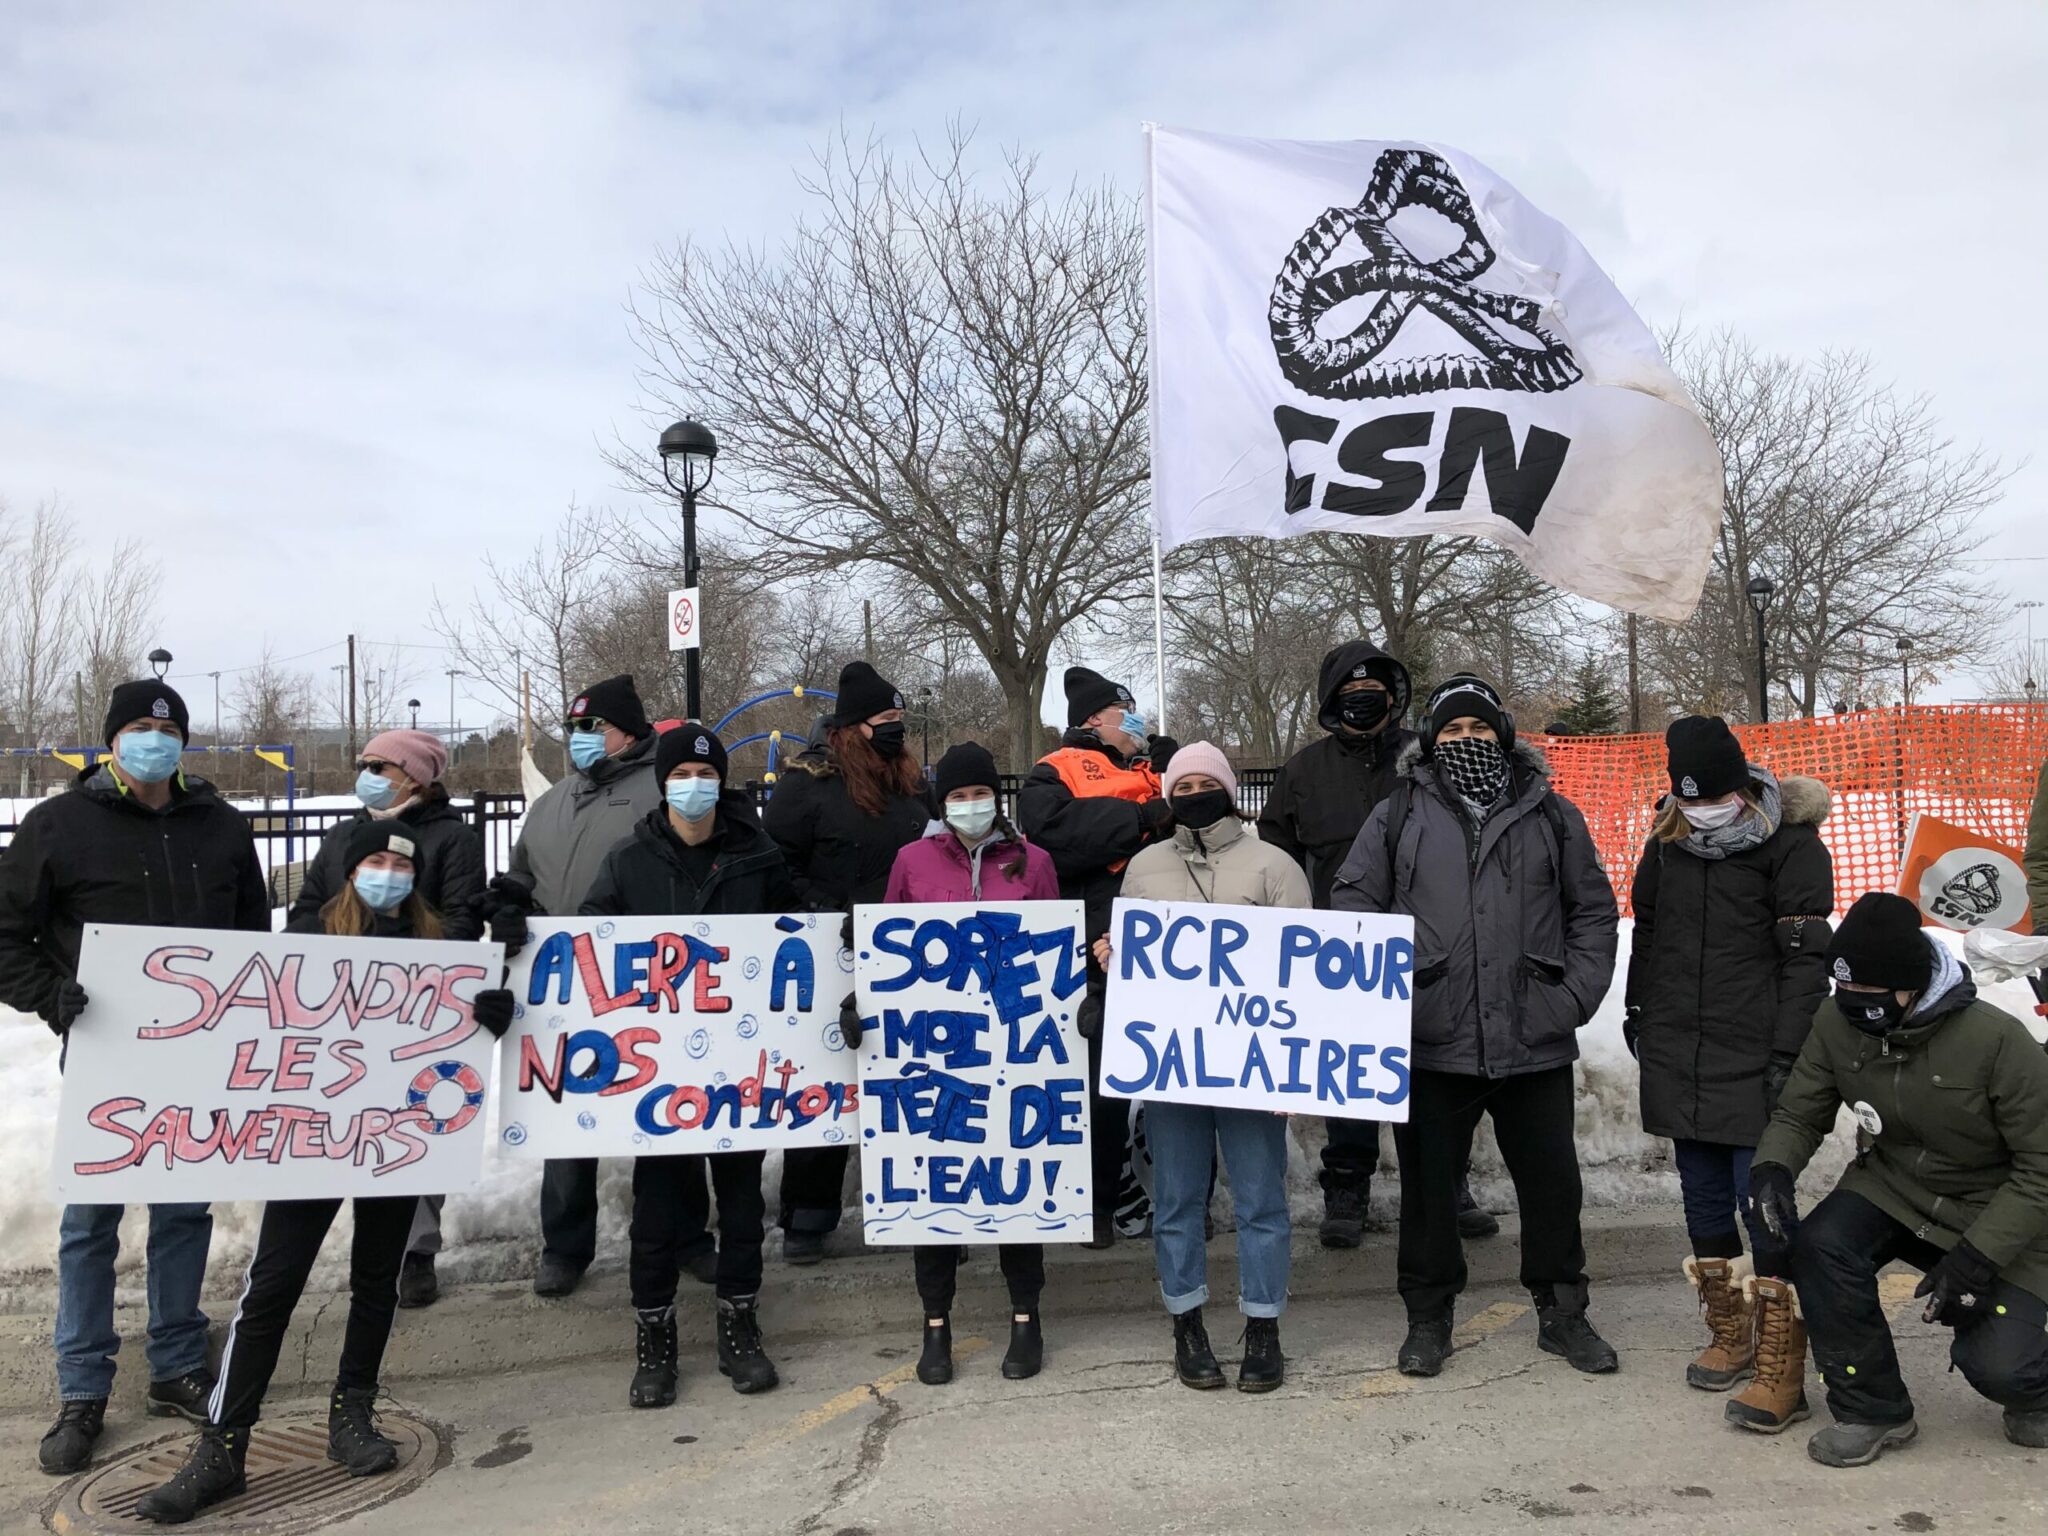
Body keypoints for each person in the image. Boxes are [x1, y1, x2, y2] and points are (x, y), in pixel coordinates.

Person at [135, 823, 519, 1523]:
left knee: (377, 1280)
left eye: (402, 864)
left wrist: (489, 1015)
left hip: (396, 1140)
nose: (388, 872)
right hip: (313, 1140)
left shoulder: (438, 949)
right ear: (348, 870)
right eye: (375, 860)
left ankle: (353, 1412)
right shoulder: (307, 939)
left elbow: (459, 1036)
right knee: (272, 1287)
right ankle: (222, 1445)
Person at [0, 680, 270, 1477]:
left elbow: (253, 935)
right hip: (106, 1055)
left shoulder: (220, 825)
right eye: (141, 729)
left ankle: (176, 1364)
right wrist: (52, 995)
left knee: (184, 1212)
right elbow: (6, 934)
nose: (156, 741)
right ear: (112, 740)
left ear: (183, 743)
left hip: (198, 1054)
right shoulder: (58, 825)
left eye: (169, 730)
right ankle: (82, 1388)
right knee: (91, 1223)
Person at [1332, 673, 1620, 1377]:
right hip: (1433, 1037)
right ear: (1433, 740)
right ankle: (1428, 1318)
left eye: (1480, 728)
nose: (1468, 739)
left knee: (1552, 1187)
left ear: (1503, 734)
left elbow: (1592, 912)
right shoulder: (1398, 813)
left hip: (1533, 1036)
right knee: (1429, 1194)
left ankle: (1562, 1312)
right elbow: (1353, 906)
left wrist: (1569, 999)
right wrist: (1398, 996)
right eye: (1454, 730)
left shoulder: (1552, 813)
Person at [1750, 892, 2048, 1467]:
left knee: (2000, 1368)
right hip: (1895, 1186)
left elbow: (2042, 1169)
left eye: (1870, 991)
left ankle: (2036, 1388)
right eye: (1845, 988)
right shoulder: (1837, 1022)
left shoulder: (1996, 1041)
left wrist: (1977, 1257)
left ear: (1912, 985)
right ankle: (1872, 1409)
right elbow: (1799, 1113)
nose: (1853, 1002)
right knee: (1822, 1246)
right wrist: (1773, 1169)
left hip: (1996, 1209)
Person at [581, 725, 798, 1401]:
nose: (694, 786)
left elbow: (794, 931)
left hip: (738, 1070)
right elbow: (590, 939)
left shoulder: (758, 857)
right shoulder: (629, 860)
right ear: (663, 784)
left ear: (720, 782)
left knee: (742, 1207)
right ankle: (655, 1339)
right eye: (681, 776)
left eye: (705, 775)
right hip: (660, 1074)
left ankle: (740, 1327)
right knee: (657, 1211)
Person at [1623, 716, 1832, 1413]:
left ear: (1741, 787)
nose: (1703, 810)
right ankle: (1730, 1328)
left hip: (1756, 1050)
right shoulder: (1667, 841)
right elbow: (1648, 933)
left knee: (1762, 1201)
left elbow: (1807, 962)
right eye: (1690, 799)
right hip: (1679, 1045)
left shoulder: (1792, 845)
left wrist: (1788, 1052)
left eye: (1714, 797)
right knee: (1703, 1196)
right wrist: (1638, 1009)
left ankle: (1782, 1356)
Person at [1259, 640, 1498, 1249]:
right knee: (1350, 1077)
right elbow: (1276, 858)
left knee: (1437, 1074)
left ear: (1394, 698)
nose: (1363, 701)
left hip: (1429, 946)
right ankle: (1346, 1187)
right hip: (1339, 952)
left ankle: (1448, 1184)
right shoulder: (1302, 773)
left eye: (1374, 691)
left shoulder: (1428, 758)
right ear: (1331, 701)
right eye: (1350, 693)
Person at [1112, 743, 1312, 1392]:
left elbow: (1307, 973)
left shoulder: (1274, 866)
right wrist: (1115, 955)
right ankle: (1186, 1324)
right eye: (1183, 786)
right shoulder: (1144, 867)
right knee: (1175, 1201)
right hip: (1173, 1065)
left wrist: (1296, 1064)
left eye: (1206, 783)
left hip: (1253, 1067)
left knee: (1260, 1199)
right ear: (1168, 796)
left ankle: (1264, 1326)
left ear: (1228, 789)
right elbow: (1137, 966)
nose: (1195, 794)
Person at [488, 675, 682, 1298]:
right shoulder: (553, 800)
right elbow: (523, 875)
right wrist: (510, 904)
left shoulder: (662, 787)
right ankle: (565, 1246)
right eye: (573, 727)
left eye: (592, 726)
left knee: (663, 1111)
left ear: (630, 730)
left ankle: (677, 1235)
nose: (579, 738)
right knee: (567, 1117)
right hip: (564, 985)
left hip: (645, 979)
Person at [288, 727, 487, 1310]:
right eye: (365, 764)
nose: (368, 775)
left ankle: (414, 1250)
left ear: (415, 778)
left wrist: (407, 971)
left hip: (417, 1010)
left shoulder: (453, 838)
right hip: (339, 1007)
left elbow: (461, 920)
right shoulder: (343, 835)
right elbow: (308, 909)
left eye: (380, 766)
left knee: (413, 1120)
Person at [882, 742, 1061, 1386]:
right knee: (934, 1184)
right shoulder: (911, 861)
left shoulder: (1034, 861)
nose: (969, 804)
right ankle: (936, 1322)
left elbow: (1054, 949)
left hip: (1015, 1045)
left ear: (996, 796)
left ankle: (1026, 1315)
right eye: (956, 796)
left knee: (1017, 1172)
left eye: (979, 793)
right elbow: (889, 947)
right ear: (941, 803)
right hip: (936, 1048)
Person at [763, 661, 933, 1264]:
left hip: (912, 959)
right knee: (827, 1083)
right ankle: (807, 1218)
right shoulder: (806, 786)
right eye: (886, 718)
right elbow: (775, 865)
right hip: (830, 952)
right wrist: (823, 909)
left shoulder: (911, 786)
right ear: (855, 727)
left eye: (899, 718)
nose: (896, 728)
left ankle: (923, 1205)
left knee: (914, 1085)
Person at [1019, 666, 1177, 1248]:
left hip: (1169, 943)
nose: (1136, 720)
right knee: (1099, 1089)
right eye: (1124, 711)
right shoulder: (1055, 770)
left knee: (1175, 1077)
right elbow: (1053, 836)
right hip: (1095, 947)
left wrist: (1177, 773)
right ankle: (1098, 1204)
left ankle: (1182, 1198)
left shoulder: (1155, 766)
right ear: (1093, 719)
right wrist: (1139, 818)